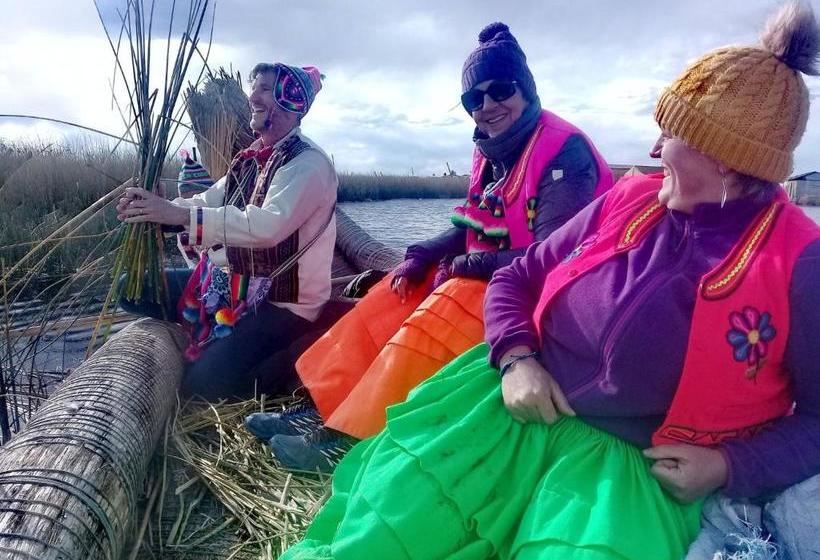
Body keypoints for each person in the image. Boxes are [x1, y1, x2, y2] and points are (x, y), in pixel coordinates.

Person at [280, 3, 820, 559]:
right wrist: (516, 359)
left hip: (618, 473)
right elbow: (518, 274)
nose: (654, 150)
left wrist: (729, 466)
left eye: (671, 134)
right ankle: (326, 418)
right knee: (383, 534)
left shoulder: (798, 262)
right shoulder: (631, 199)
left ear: (727, 157)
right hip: (509, 412)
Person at [251, 22, 612, 472]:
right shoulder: (491, 148)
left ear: (525, 88)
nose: (487, 106)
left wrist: (470, 264)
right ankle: (326, 406)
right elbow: (475, 222)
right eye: (473, 99)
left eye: (500, 90)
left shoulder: (563, 152)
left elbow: (556, 255)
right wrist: (427, 252)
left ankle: (348, 437)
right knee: (395, 290)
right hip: (497, 272)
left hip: (547, 292)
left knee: (444, 307)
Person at [116, 62, 338, 400]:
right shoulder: (250, 160)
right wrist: (157, 211)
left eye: (264, 89)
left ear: (291, 101)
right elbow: (207, 200)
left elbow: (266, 225)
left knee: (203, 387)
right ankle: (214, 338)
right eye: (255, 87)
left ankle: (289, 359)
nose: (252, 96)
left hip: (284, 305)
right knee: (130, 289)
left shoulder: (309, 164)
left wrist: (178, 213)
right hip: (232, 285)